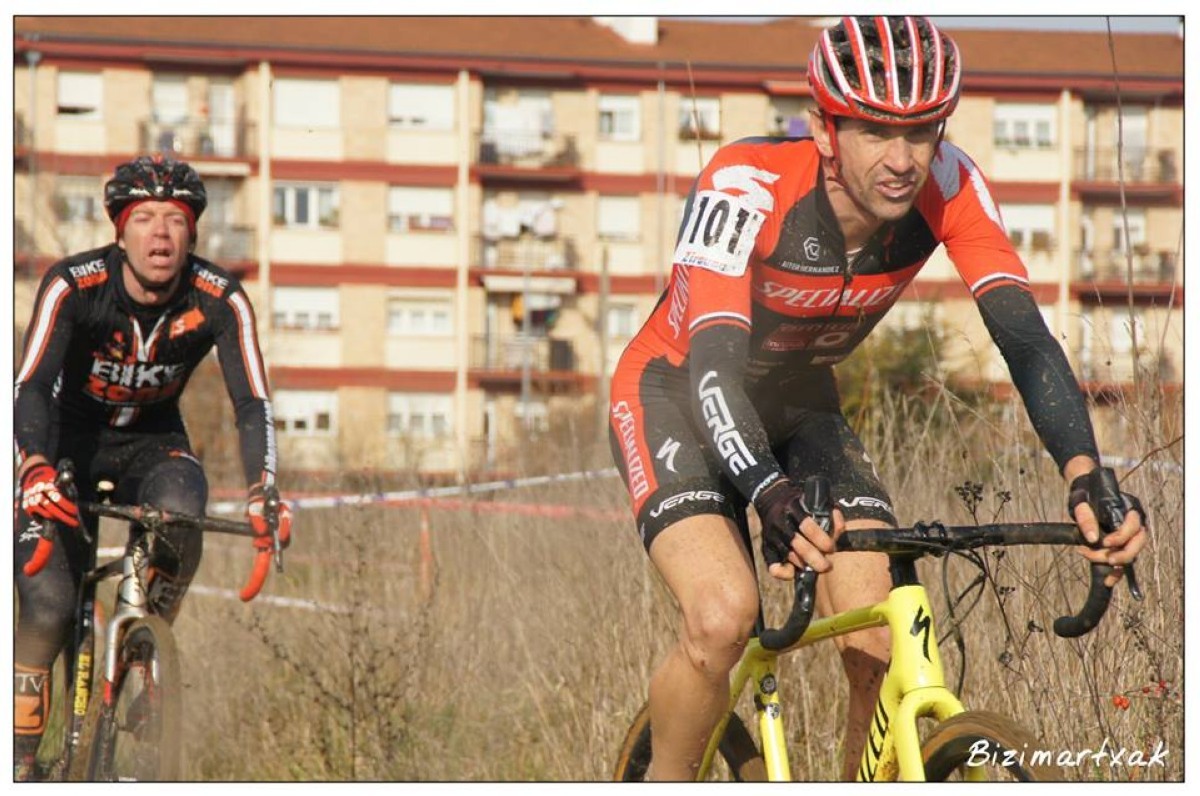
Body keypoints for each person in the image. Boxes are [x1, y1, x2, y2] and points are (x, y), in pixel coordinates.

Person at [607, 16, 1147, 781]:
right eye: (875, 132)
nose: (902, 160)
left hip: (798, 399)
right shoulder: (745, 184)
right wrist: (767, 491)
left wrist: (1083, 472)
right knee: (724, 617)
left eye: (923, 132)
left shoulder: (951, 184)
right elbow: (714, 372)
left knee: (877, 644)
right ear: (827, 129)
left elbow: (1026, 341)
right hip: (677, 389)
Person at [13, 155, 294, 780]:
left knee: (182, 513)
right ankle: (20, 762)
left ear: (192, 233)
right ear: (120, 230)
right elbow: (28, 386)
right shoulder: (74, 284)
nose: (160, 234)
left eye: (175, 220)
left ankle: (141, 645)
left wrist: (264, 491)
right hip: (63, 448)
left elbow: (252, 401)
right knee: (51, 605)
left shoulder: (220, 296)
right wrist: (32, 469)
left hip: (154, 442)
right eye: (145, 218)